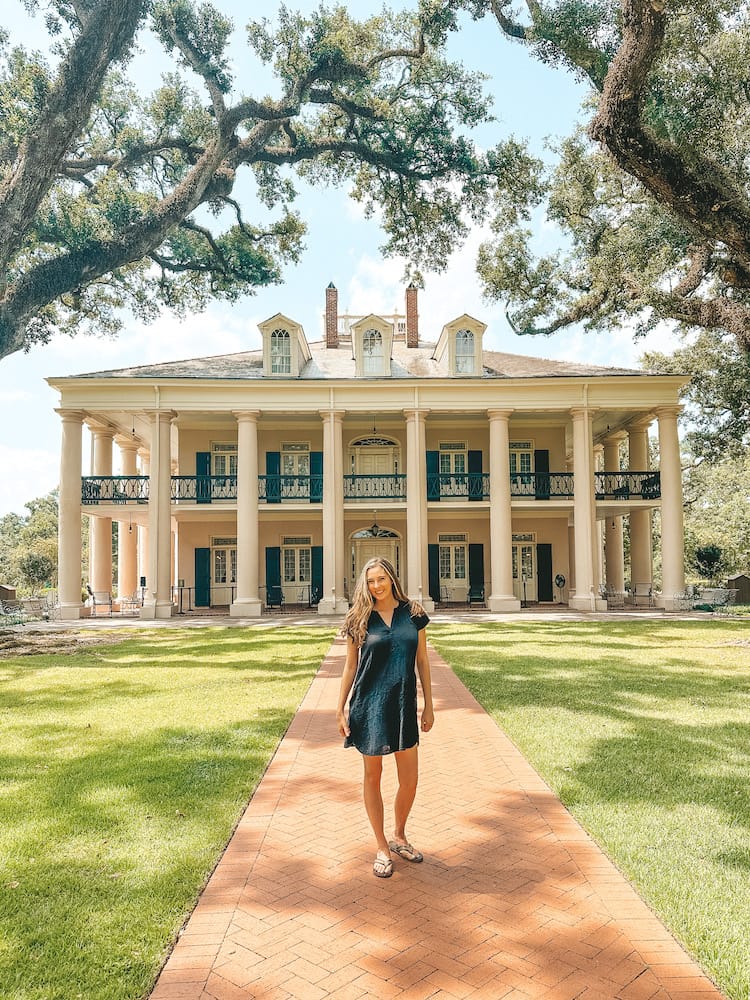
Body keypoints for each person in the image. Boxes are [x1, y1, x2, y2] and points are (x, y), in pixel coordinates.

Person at [336, 557, 434, 878]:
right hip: (370, 705)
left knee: (410, 780)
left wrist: (429, 704)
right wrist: (340, 708)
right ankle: (381, 846)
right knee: (372, 777)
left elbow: (422, 661)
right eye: (370, 581)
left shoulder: (414, 614)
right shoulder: (359, 618)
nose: (376, 586)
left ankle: (399, 835)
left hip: (404, 704)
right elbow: (351, 666)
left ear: (392, 578)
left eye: (381, 579)